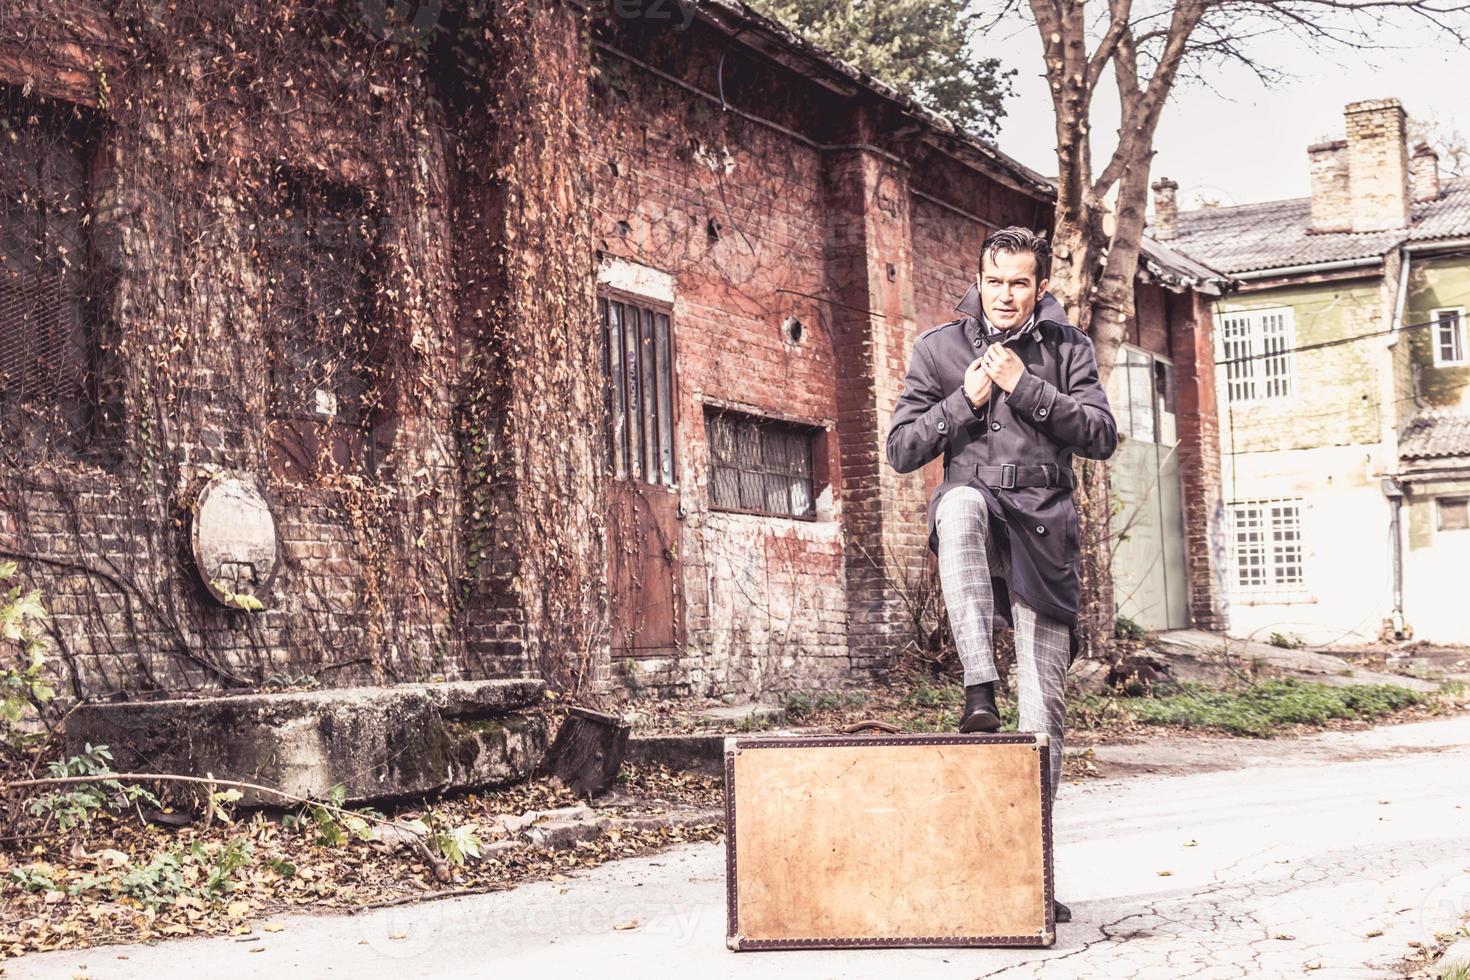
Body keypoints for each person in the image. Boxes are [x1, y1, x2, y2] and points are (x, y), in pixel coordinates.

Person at [885, 226, 1118, 925]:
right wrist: (967, 399)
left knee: (1043, 714)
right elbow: (901, 448)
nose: (1007, 294)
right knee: (954, 502)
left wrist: (1026, 389)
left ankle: (1029, 876)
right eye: (996, 280)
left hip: (1044, 531)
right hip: (975, 518)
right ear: (979, 280)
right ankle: (976, 686)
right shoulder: (939, 348)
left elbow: (1102, 435)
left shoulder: (1068, 347)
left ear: (1039, 286)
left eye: (1020, 282)